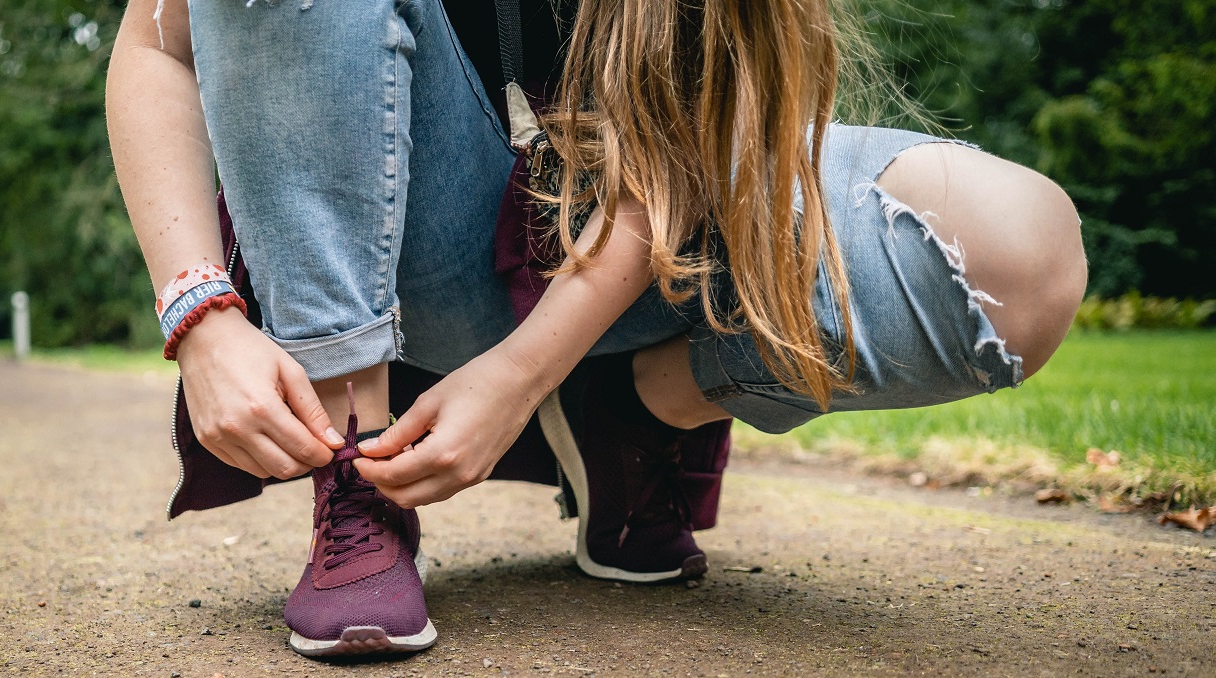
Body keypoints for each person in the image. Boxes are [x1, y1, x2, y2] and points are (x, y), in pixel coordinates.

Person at [105, 0, 1087, 660]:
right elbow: (156, 44)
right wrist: (203, 316)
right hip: (409, 252)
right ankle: (358, 465)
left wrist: (531, 372)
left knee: (1019, 256)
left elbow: (686, 134)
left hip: (663, 228)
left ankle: (634, 406)